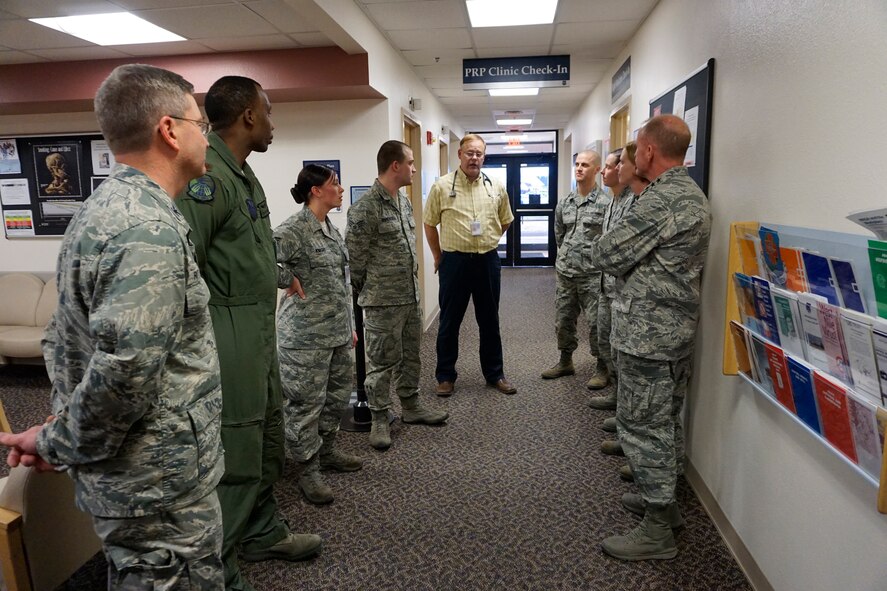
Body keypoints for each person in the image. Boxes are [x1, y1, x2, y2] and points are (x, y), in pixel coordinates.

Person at [0, 64, 224, 588]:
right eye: (201, 124)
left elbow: (64, 339)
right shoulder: (145, 228)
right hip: (156, 482)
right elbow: (127, 367)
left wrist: (63, 436)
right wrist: (60, 440)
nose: (206, 137)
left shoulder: (103, 208)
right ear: (169, 131)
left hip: (139, 473)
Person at [176, 76, 320, 591]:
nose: (275, 122)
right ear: (248, 117)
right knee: (236, 451)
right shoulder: (208, 177)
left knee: (266, 440)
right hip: (228, 333)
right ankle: (219, 565)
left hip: (260, 330)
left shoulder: (244, 174)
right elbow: (182, 262)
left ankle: (261, 530)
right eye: (270, 111)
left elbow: (253, 250)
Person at [591, 115, 711, 561]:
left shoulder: (661, 201)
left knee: (643, 426)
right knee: (664, 419)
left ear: (648, 152)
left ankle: (658, 527)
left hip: (649, 333)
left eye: (637, 147)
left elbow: (608, 251)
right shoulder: (689, 193)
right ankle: (665, 504)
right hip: (671, 330)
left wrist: (621, 258)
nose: (634, 154)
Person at [346, 140, 449, 450]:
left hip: (409, 296)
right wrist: (371, 291)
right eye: (411, 162)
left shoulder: (403, 202)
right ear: (395, 165)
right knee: (380, 362)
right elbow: (355, 260)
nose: (414, 168)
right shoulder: (365, 208)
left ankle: (411, 405)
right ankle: (379, 417)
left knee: (410, 356)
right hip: (381, 302)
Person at [274, 164, 362, 505]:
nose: (340, 189)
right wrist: (287, 279)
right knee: (305, 405)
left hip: (337, 333)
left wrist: (350, 328)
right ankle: (306, 469)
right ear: (315, 190)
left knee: (337, 399)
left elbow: (341, 281)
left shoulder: (329, 227)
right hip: (304, 338)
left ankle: (327, 452)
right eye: (334, 183)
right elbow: (262, 257)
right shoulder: (295, 228)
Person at [423, 134, 516, 396]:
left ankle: (495, 374)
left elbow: (506, 219)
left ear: (484, 157)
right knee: (449, 322)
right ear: (460, 155)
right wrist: (438, 256)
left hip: (487, 260)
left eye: (479, 153)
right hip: (454, 262)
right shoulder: (441, 186)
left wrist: (490, 238)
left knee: (489, 320)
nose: (474, 158)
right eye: (469, 153)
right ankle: (445, 377)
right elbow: (429, 223)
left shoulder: (495, 186)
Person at [541, 150, 610, 388]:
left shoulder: (605, 204)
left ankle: (601, 367)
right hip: (566, 273)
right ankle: (565, 361)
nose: (579, 168)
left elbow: (609, 241)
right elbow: (559, 235)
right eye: (577, 164)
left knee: (596, 324)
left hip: (593, 275)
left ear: (597, 170)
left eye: (585, 165)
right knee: (563, 320)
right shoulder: (565, 202)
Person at [591, 144, 645, 424]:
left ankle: (624, 411)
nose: (606, 170)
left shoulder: (636, 201)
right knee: (607, 344)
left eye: (614, 164)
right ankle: (617, 396)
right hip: (607, 286)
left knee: (623, 352)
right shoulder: (613, 199)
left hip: (624, 291)